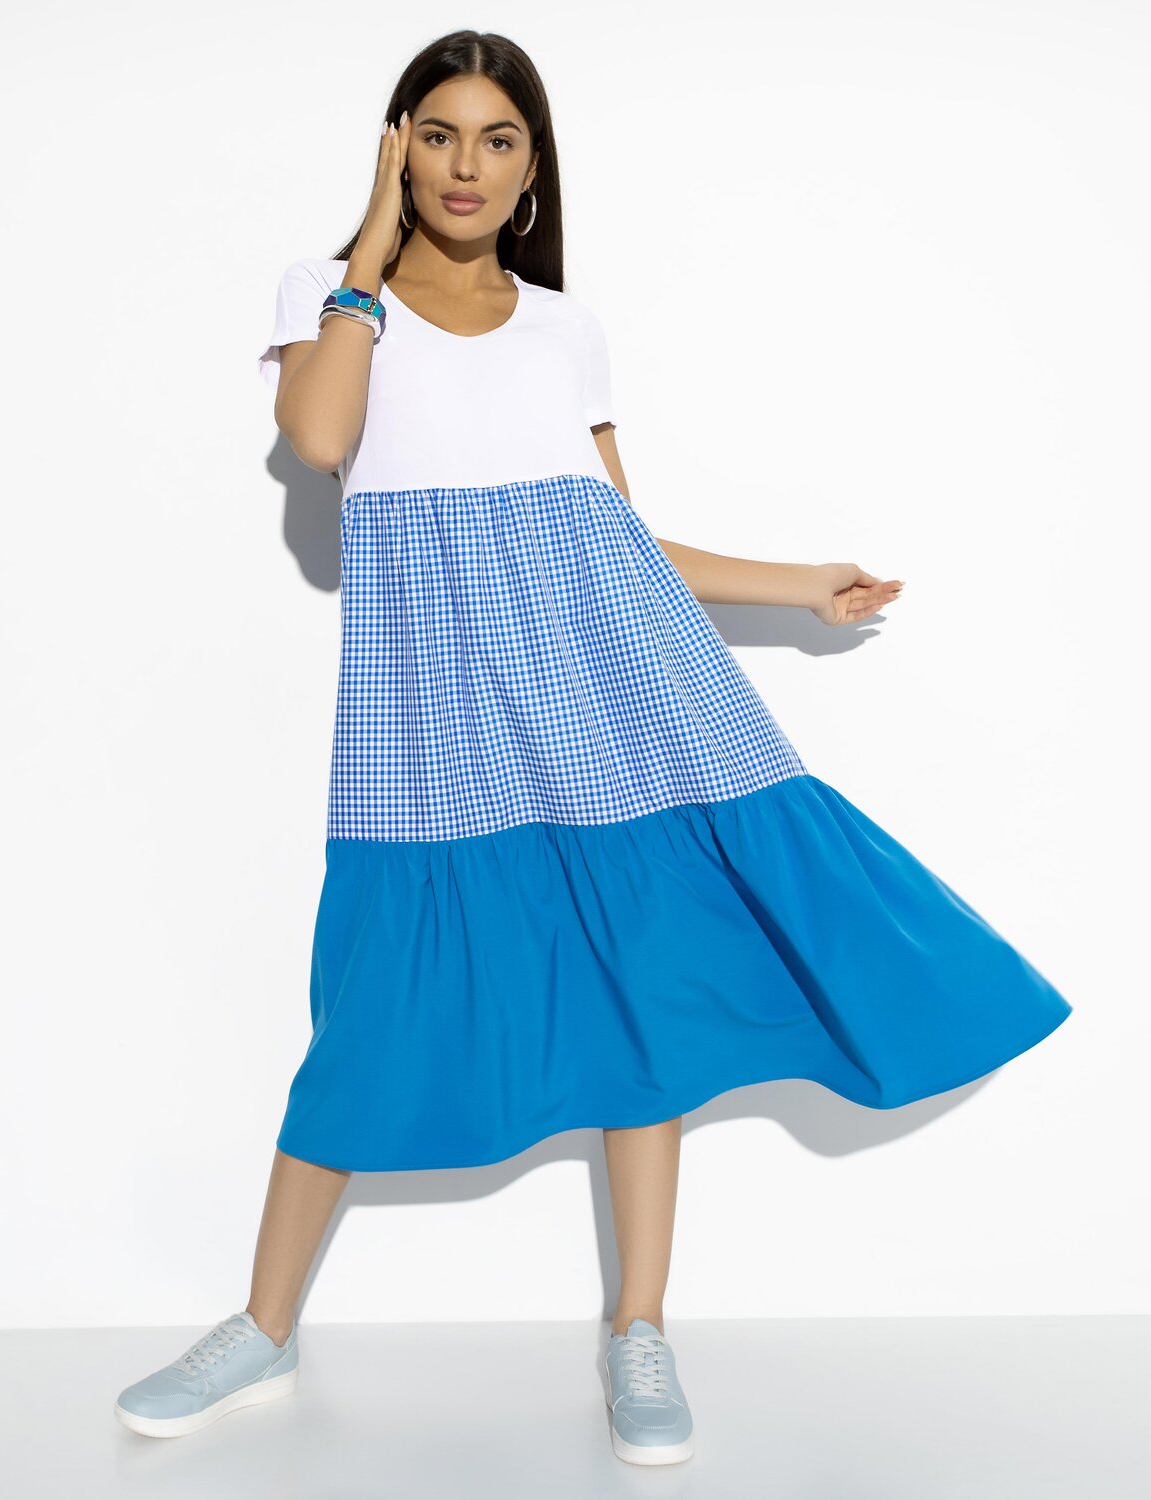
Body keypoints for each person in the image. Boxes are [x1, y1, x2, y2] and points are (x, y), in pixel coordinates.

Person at [113, 29, 1072, 1466]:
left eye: (499, 140)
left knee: (648, 987)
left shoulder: (566, 331)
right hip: (433, 716)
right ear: (397, 146)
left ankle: (638, 1328)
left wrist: (799, 584)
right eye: (439, 134)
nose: (467, 166)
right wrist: (366, 247)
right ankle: (262, 1326)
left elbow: (616, 541)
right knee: (371, 1004)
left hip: (608, 697)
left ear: (532, 168)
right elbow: (317, 438)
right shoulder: (334, 296)